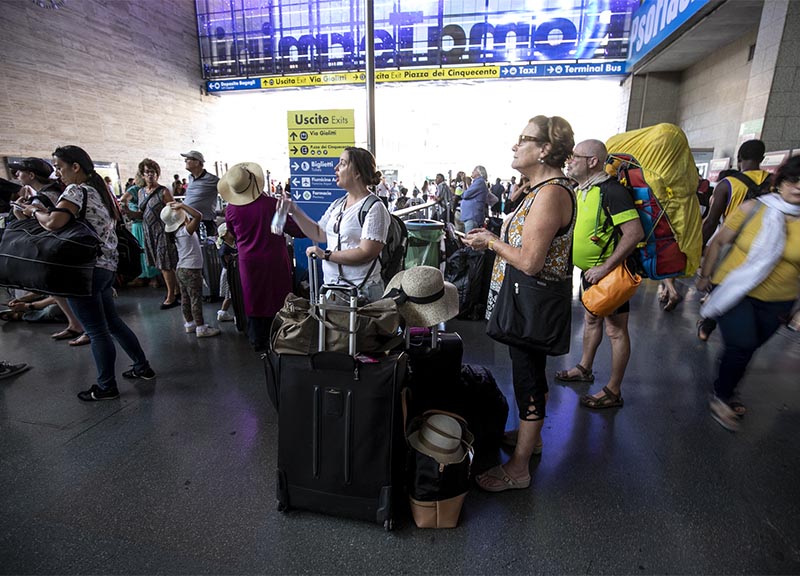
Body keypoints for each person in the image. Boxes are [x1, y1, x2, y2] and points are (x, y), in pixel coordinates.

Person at [462, 115, 576, 492]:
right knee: (531, 373)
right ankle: (534, 439)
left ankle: (520, 468)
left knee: (527, 380)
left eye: (523, 139)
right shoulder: (540, 189)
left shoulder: (550, 194)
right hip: (529, 302)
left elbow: (530, 261)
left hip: (532, 304)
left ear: (545, 149)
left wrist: (491, 243)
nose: (515, 146)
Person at [14, 145, 155, 401]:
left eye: (60, 166)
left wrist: (33, 211)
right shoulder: (100, 191)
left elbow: (53, 223)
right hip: (106, 266)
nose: (58, 173)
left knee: (96, 330)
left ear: (75, 166)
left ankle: (106, 386)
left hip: (83, 270)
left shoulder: (76, 190)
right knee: (112, 323)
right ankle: (142, 366)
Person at [697, 156, 800, 431]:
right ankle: (722, 396)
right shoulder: (753, 208)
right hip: (734, 289)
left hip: (779, 300)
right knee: (741, 344)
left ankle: (727, 383)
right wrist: (705, 275)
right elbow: (719, 241)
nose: (798, 187)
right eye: (793, 180)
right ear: (779, 182)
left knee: (747, 348)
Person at [555, 139, 644, 410]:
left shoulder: (612, 191)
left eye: (575, 157)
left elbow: (634, 233)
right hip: (590, 274)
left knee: (616, 330)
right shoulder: (582, 189)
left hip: (609, 274)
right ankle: (585, 368)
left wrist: (606, 268)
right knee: (591, 321)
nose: (569, 161)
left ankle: (613, 391)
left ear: (592, 161)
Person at [282, 147, 390, 303]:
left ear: (357, 172)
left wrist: (326, 255)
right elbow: (319, 233)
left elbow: (367, 252)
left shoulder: (374, 208)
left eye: (343, 163)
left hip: (362, 292)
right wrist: (294, 210)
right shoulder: (338, 204)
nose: (336, 168)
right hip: (333, 290)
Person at [220, 162, 304, 352]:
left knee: (253, 299)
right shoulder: (272, 205)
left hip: (248, 262)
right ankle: (282, 337)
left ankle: (258, 339)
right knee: (278, 298)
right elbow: (295, 230)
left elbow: (232, 233)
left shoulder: (231, 209)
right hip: (275, 261)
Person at [9, 158, 84, 340]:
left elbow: (46, 224)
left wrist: (25, 212)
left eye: (20, 172)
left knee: (59, 288)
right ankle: (75, 324)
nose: (17, 175)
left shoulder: (45, 196)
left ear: (32, 175)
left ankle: (79, 325)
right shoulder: (54, 192)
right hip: (64, 246)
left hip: (56, 247)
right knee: (58, 290)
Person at [121, 159, 179, 308]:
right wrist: (128, 211)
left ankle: (171, 296)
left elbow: (175, 211)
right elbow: (141, 213)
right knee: (160, 263)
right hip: (149, 231)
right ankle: (177, 290)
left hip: (162, 231)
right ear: (143, 175)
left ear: (157, 174)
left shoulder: (163, 191)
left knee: (165, 263)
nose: (150, 175)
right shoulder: (141, 192)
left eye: (153, 172)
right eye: (147, 172)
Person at [160, 202, 221, 338]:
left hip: (181, 269)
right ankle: (201, 327)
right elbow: (198, 215)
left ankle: (190, 324)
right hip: (191, 269)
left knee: (186, 298)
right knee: (195, 299)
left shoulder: (176, 233)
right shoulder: (185, 231)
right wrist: (182, 206)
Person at [702, 140, 770, 246]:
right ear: (762, 159)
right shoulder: (776, 182)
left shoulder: (726, 185)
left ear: (739, 158)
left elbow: (711, 223)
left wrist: (697, 250)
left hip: (732, 245)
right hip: (764, 245)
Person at [119, 173, 160, 287]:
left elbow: (123, 200)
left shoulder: (137, 189)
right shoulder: (145, 190)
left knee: (143, 251)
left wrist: (127, 211)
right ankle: (150, 277)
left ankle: (148, 277)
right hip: (145, 223)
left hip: (139, 224)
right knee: (148, 251)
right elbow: (123, 201)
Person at [181, 150, 220, 237]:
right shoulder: (190, 177)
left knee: (206, 248)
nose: (185, 161)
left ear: (197, 162)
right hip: (189, 221)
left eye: (188, 159)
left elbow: (227, 191)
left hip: (204, 223)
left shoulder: (213, 179)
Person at [215, 223, 236, 323]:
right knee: (230, 295)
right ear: (224, 234)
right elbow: (229, 262)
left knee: (232, 295)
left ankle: (224, 312)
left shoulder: (234, 243)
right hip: (229, 273)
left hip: (233, 272)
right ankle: (223, 312)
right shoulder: (225, 248)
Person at [460, 166, 489, 232]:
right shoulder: (477, 182)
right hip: (471, 216)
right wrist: (464, 182)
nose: (472, 171)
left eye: (474, 170)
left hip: (472, 217)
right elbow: (466, 193)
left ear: (479, 172)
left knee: (469, 239)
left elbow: (465, 195)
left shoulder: (479, 182)